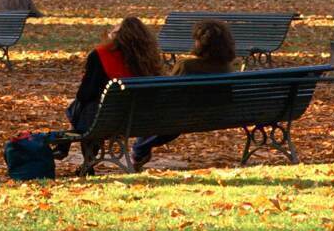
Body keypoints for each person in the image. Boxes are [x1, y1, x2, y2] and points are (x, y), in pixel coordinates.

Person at [132, 19, 236, 169]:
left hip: (185, 116)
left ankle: (139, 150)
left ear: (201, 43)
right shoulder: (227, 68)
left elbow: (167, 94)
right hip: (218, 115)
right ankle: (140, 150)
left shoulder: (187, 66)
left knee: (160, 115)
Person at [64, 17, 163, 157]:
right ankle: (64, 145)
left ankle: (82, 157)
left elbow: (85, 94)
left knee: (82, 106)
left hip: (105, 120)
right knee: (83, 106)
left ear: (118, 36)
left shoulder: (101, 55)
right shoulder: (149, 59)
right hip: (137, 119)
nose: (110, 32)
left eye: (114, 30)